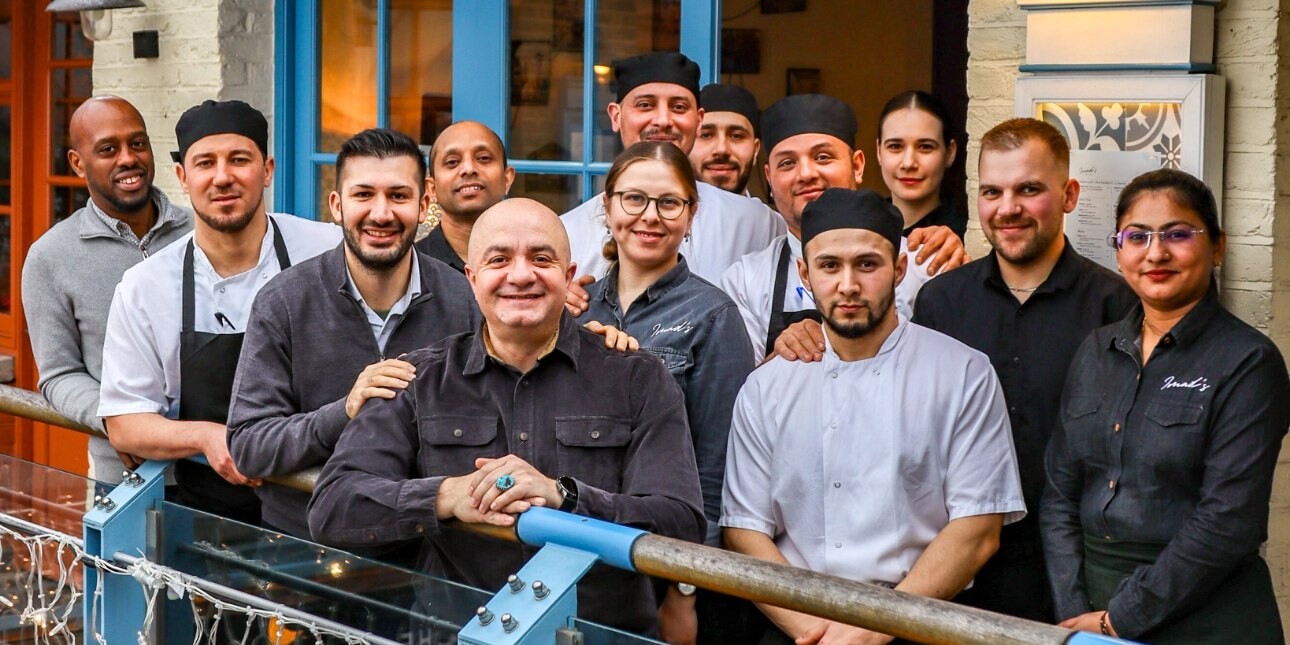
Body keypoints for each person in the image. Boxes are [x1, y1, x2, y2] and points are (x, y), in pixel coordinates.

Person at [309, 198, 705, 637]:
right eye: (499, 260)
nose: (521, 275)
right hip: (454, 633)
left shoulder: (638, 377)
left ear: (569, 276)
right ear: (472, 280)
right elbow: (334, 505)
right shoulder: (419, 378)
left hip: (600, 634)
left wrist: (565, 498)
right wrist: (448, 496)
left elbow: (679, 521)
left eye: (541, 258)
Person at [721, 188, 1025, 645]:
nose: (848, 284)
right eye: (829, 266)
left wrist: (876, 627)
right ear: (805, 273)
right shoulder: (767, 386)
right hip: (798, 627)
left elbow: (978, 529)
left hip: (920, 621)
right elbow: (744, 529)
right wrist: (815, 631)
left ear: (899, 270)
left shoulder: (963, 372)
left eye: (867, 264)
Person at [1043, 168, 1289, 643]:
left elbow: (1228, 521)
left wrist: (1121, 619)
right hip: (1091, 614)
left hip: (1208, 616)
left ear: (1217, 247)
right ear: (1119, 252)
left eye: (1178, 234)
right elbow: (1059, 492)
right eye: (1137, 236)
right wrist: (1075, 612)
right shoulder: (1095, 352)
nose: (1156, 252)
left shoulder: (1248, 363)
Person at [912, 118, 1136, 621]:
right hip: (956, 564)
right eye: (992, 191)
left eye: (1028, 189)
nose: (1007, 208)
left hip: (1078, 566)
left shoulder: (1117, 305)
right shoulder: (940, 302)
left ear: (1069, 194)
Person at [227, 128, 481, 538]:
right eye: (364, 195)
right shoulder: (284, 301)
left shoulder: (464, 301)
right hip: (302, 549)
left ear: (425, 204)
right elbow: (249, 446)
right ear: (337, 205)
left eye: (398, 196)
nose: (381, 213)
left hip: (428, 551)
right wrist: (343, 410)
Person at [98, 100, 340, 525]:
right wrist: (208, 436)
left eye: (239, 160)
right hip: (211, 520)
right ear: (183, 178)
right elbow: (125, 423)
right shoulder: (146, 286)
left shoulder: (327, 250)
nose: (223, 177)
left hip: (323, 502)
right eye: (205, 163)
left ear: (266, 170)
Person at [577, 141, 755, 643]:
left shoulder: (713, 316)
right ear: (607, 207)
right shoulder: (575, 307)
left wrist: (685, 588)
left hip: (658, 563)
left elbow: (717, 468)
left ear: (691, 213)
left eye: (669, 203)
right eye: (633, 199)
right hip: (577, 545)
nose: (649, 217)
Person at [22, 96, 192, 485]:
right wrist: (119, 418)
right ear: (78, 163)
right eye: (108, 149)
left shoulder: (201, 232)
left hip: (225, 470)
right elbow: (59, 374)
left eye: (137, 143)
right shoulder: (50, 257)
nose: (128, 158)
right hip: (129, 479)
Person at [719, 93, 963, 361]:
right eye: (788, 163)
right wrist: (783, 357)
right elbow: (741, 391)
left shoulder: (924, 263)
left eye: (823, 157)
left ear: (857, 165)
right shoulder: (744, 281)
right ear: (769, 178)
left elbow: (946, 370)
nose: (806, 173)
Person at [561, 52, 785, 287]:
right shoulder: (569, 231)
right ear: (616, 116)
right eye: (645, 105)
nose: (663, 120)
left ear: (698, 121)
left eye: (678, 107)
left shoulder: (756, 222)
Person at [414, 120, 514, 273]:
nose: (468, 169)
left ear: (506, 179)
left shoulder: (533, 263)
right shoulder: (410, 269)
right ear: (431, 189)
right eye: (452, 162)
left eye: (483, 158)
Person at [875, 91, 967, 239]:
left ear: (950, 153)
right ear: (879, 151)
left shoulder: (968, 238)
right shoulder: (858, 229)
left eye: (925, 147)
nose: (909, 163)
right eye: (895, 146)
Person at [687, 83, 760, 195]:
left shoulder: (766, 213)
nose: (721, 149)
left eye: (736, 136)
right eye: (706, 135)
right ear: (687, 146)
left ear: (755, 150)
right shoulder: (656, 212)